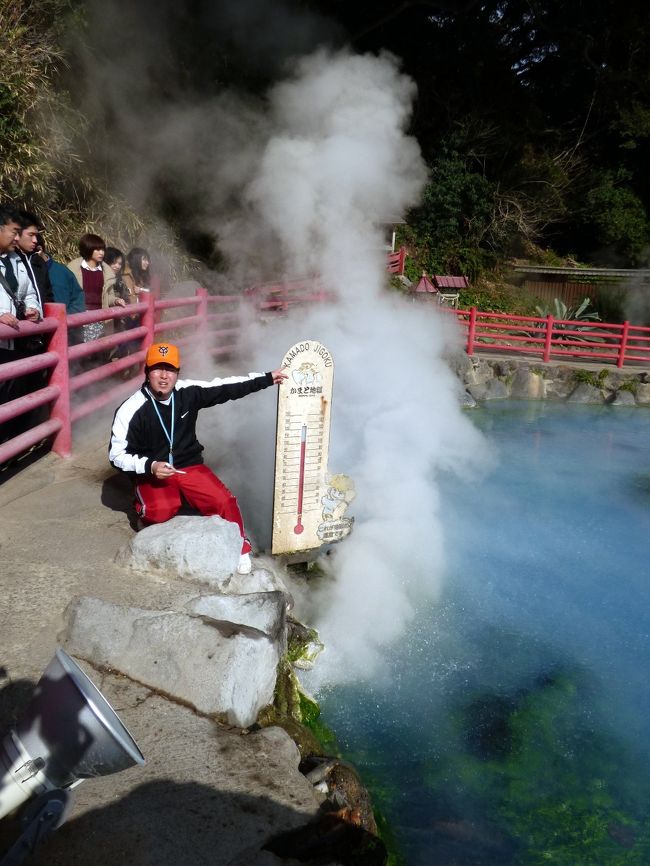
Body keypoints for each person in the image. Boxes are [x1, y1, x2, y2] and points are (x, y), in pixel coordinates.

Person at [108, 342, 288, 574]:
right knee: (160, 511)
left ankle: (241, 548)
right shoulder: (131, 408)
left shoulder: (188, 392)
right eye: (157, 369)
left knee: (224, 501)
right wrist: (149, 466)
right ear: (147, 372)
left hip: (188, 466)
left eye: (170, 370)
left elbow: (226, 387)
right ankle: (144, 506)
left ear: (178, 373)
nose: (164, 376)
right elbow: (116, 455)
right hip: (153, 472)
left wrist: (266, 378)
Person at [0, 204, 43, 443]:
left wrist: (32, 308)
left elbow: (28, 293)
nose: (17, 237)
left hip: (14, 343)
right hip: (2, 341)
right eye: (14, 231)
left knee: (10, 400)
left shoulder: (17, 260)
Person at [13, 210, 53, 307]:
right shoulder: (9, 260)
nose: (35, 240)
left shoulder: (38, 261)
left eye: (36, 235)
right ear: (16, 234)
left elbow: (48, 295)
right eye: (31, 235)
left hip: (43, 320)